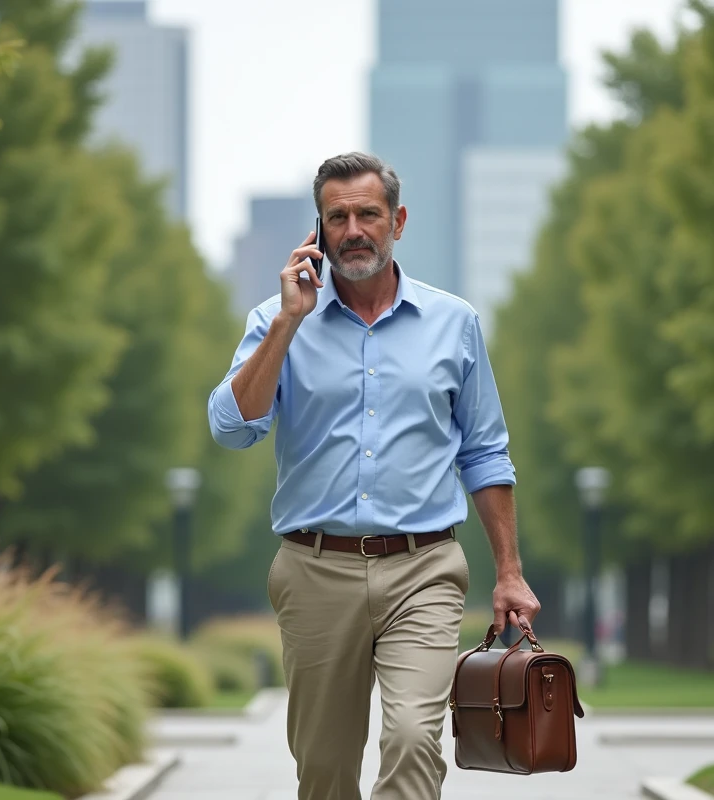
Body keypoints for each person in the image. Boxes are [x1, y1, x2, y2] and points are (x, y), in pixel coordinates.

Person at [207, 151, 540, 800]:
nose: (353, 229)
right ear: (318, 230)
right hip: (314, 569)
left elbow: (486, 453)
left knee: (415, 737)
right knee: (324, 767)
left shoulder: (455, 324)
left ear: (398, 221)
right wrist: (287, 321)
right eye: (338, 217)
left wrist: (509, 571)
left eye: (368, 214)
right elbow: (231, 426)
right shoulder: (275, 323)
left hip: (425, 567)